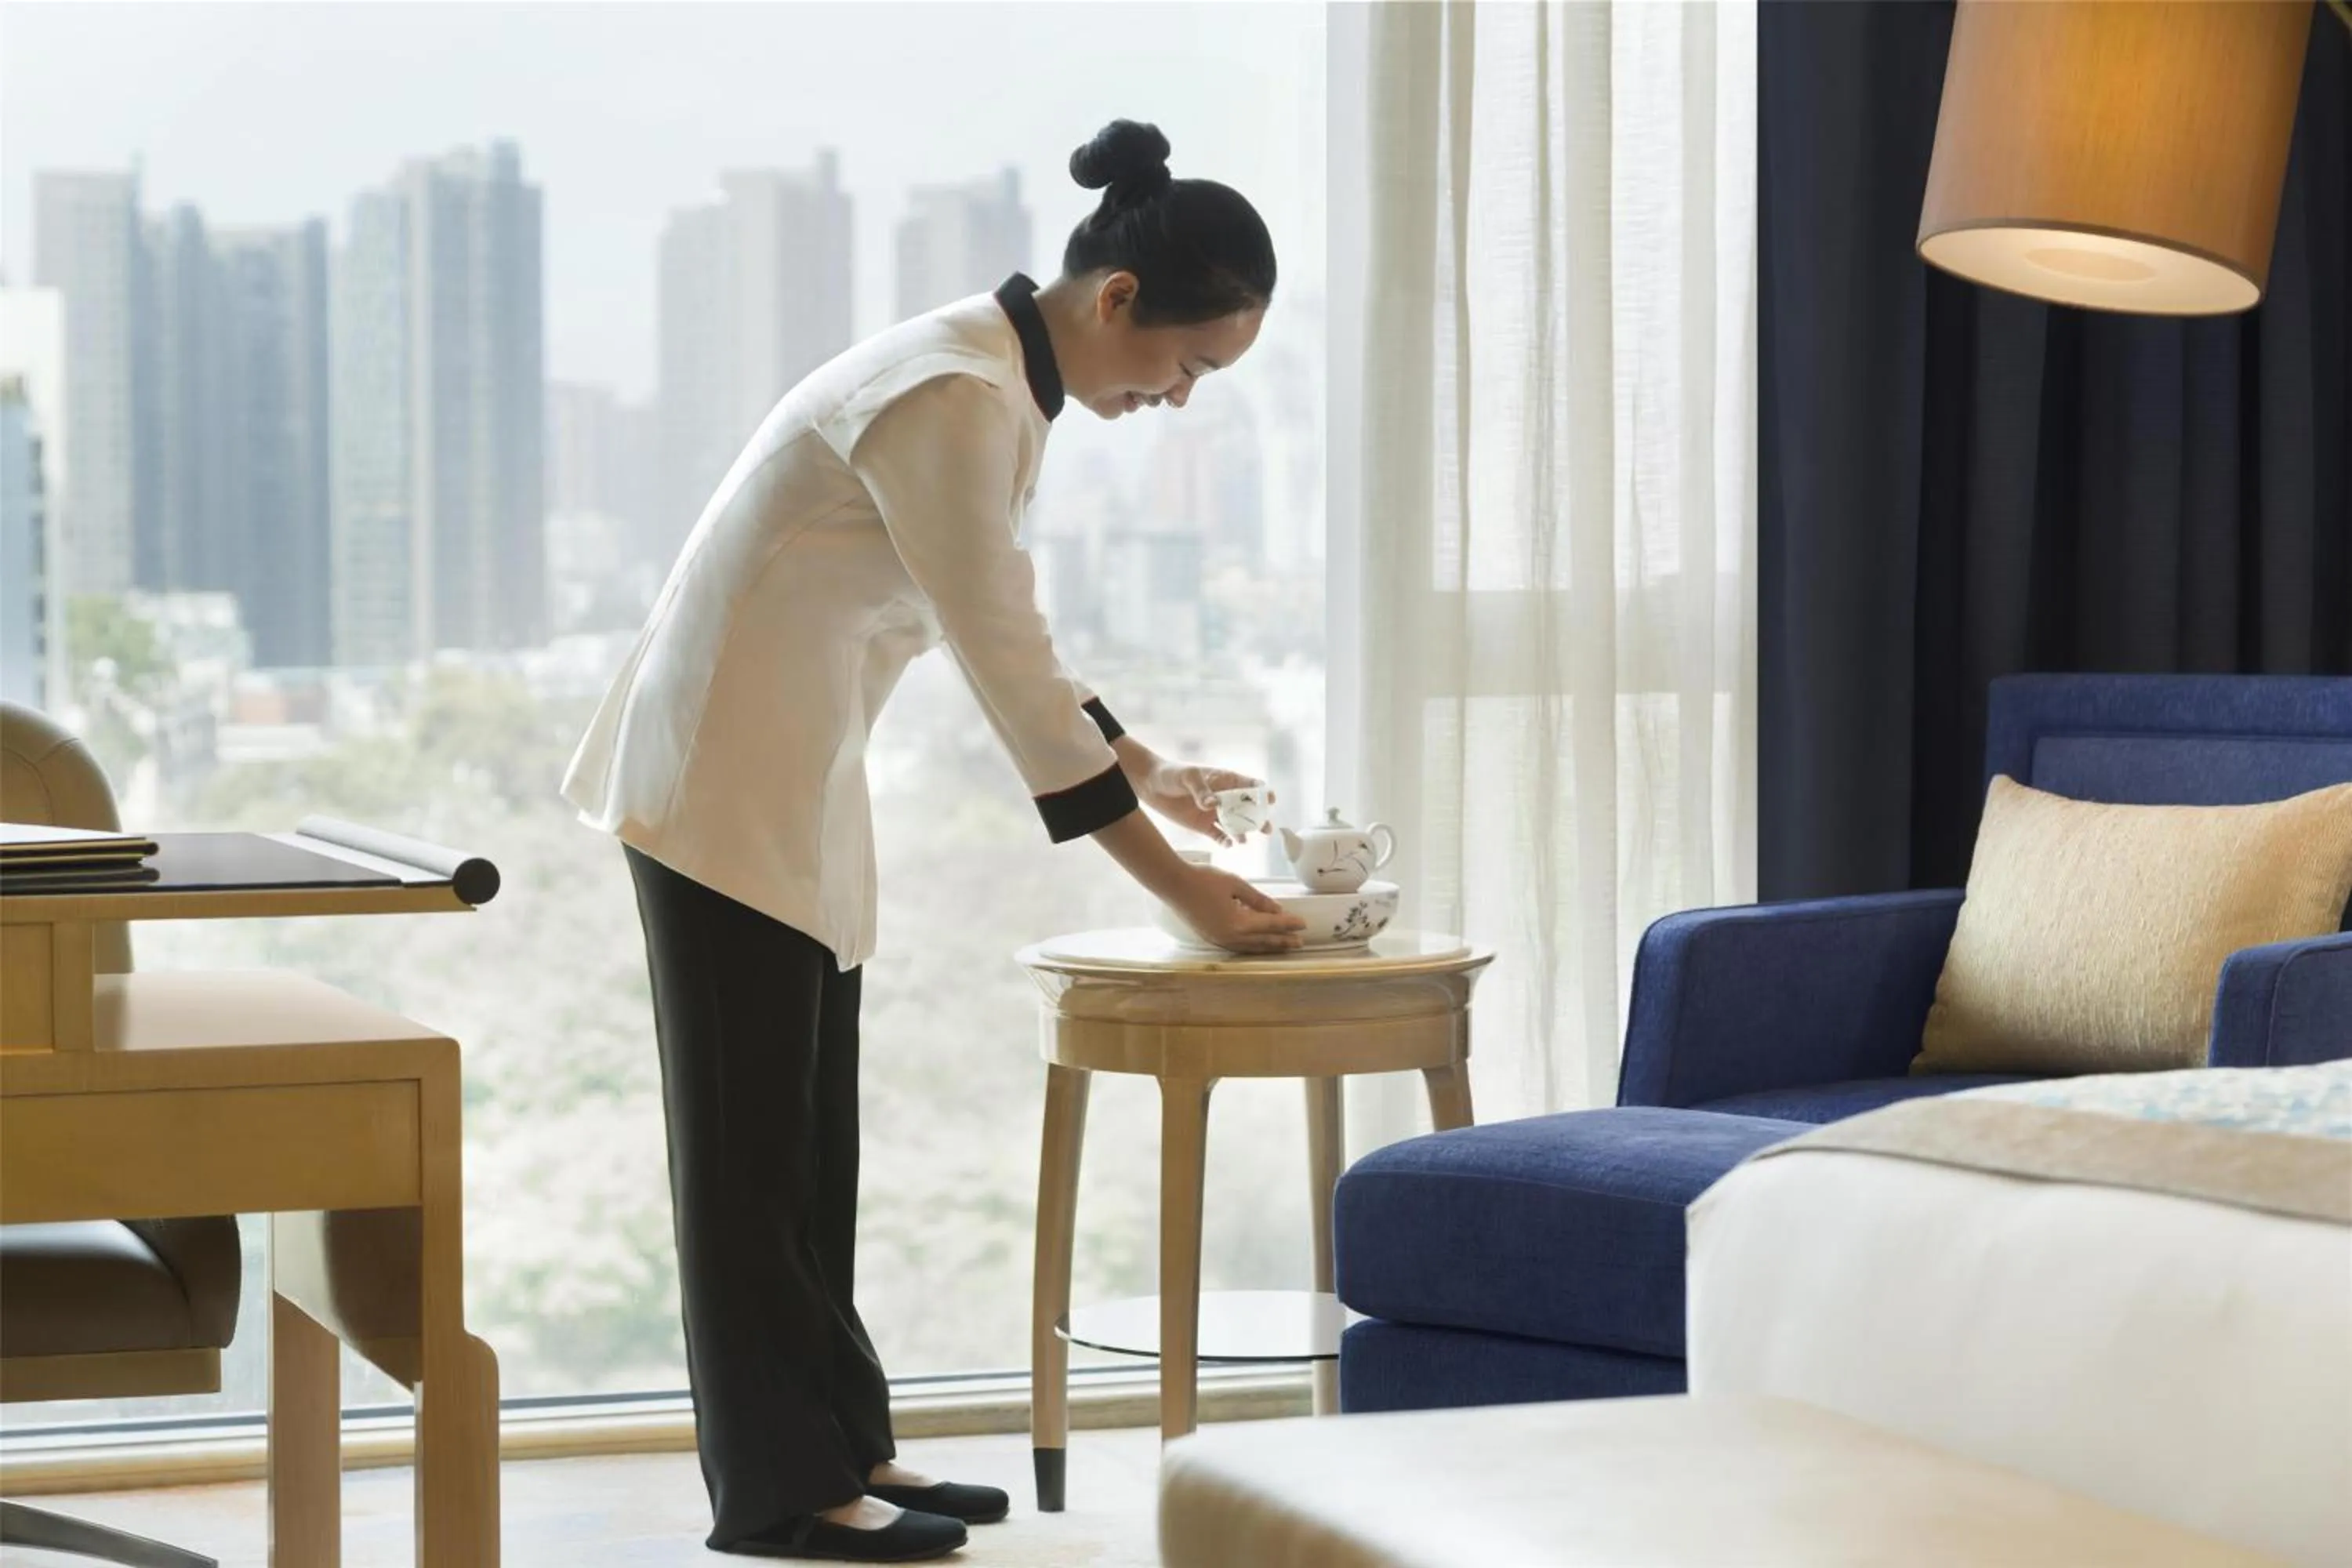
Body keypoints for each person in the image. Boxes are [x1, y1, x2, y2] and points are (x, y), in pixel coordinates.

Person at [560, 118, 1305, 1563]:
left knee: (809, 1142)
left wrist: (1150, 769)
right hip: (720, 784)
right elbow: (1003, 661)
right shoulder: (954, 393)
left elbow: (1003, 616)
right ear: (1119, 301)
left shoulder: (994, 381)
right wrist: (1184, 893)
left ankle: (846, 1447)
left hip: (793, 777)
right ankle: (781, 1495)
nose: (1178, 398)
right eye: (1190, 368)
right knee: (749, 1160)